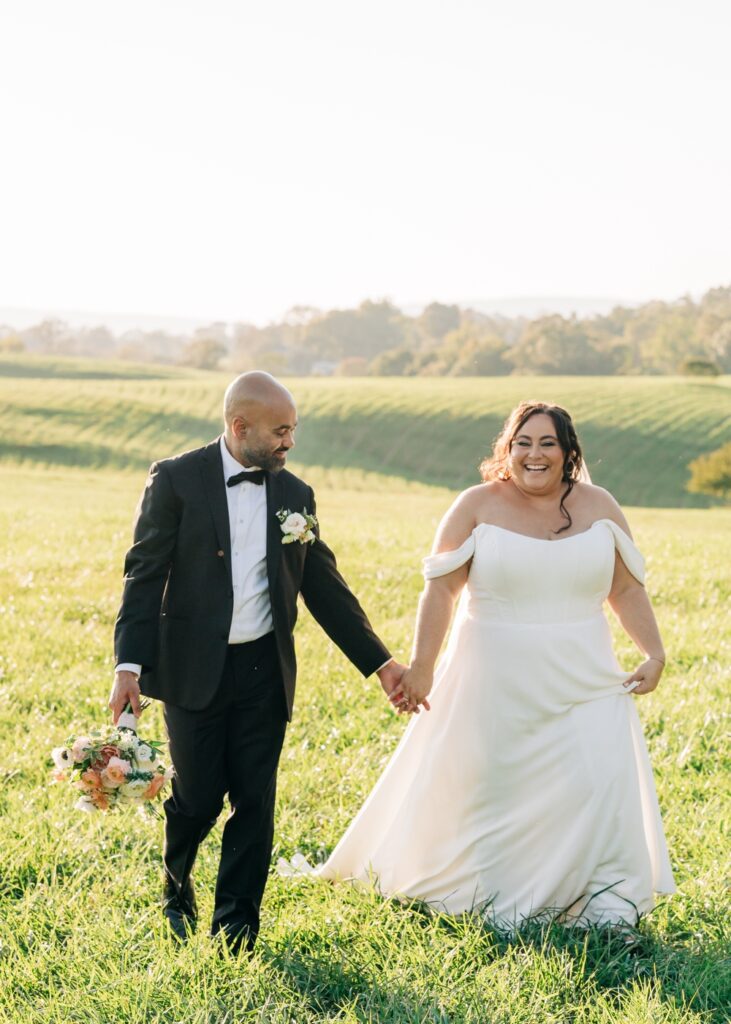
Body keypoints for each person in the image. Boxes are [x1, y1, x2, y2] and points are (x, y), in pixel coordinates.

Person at [291, 401, 675, 928]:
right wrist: (422, 666)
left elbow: (626, 587)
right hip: (494, 674)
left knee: (593, 783)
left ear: (568, 452)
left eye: (547, 443)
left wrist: (653, 653)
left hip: (586, 675)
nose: (534, 454)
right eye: (523, 443)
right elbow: (441, 592)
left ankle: (600, 904)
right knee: (496, 786)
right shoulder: (474, 506)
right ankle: (495, 891)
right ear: (507, 449)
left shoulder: (601, 506)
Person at [110, 371, 407, 952]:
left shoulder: (296, 497)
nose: (289, 442)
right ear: (239, 427)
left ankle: (236, 927)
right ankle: (177, 886)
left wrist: (382, 664)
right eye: (280, 431)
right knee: (196, 798)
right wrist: (129, 667)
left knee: (255, 800)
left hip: (264, 671)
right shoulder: (175, 480)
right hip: (194, 670)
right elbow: (143, 575)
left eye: (293, 430)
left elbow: (325, 588)